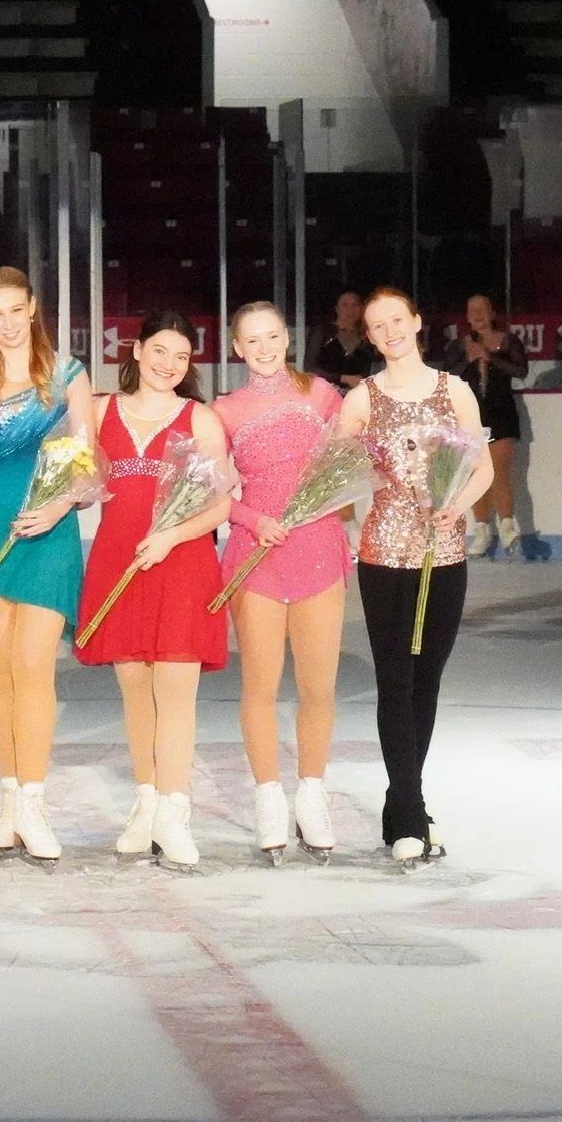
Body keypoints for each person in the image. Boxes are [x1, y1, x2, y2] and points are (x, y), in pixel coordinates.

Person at [338, 287, 492, 866]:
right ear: (371, 337)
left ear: (417, 323)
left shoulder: (454, 390)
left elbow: (480, 465)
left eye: (396, 320)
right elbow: (339, 474)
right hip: (383, 554)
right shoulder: (362, 401)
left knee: (425, 681)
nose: (389, 331)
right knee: (394, 680)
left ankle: (403, 801)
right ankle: (408, 811)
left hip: (443, 551)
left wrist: (457, 504)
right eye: (378, 326)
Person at [76, 313, 232, 871]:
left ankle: (174, 810)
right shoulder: (97, 412)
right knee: (136, 693)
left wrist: (172, 535)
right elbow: (73, 479)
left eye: (182, 357)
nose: (169, 365)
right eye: (160, 351)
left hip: (182, 563)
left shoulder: (202, 420)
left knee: (176, 695)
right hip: (119, 560)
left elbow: (222, 503)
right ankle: (146, 802)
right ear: (137, 350)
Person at [0, 265, 94, 863]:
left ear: (33, 307)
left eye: (17, 310)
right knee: (1, 670)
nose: (8, 324)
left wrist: (59, 504)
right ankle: (9, 802)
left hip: (48, 530)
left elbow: (86, 464)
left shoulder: (68, 374)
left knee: (35, 667)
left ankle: (33, 802)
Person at [214, 300, 348, 863]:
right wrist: (251, 518)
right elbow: (214, 490)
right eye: (253, 340)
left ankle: (311, 793)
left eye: (273, 336)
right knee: (260, 688)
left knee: (317, 687)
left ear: (286, 338)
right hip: (257, 554)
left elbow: (349, 460)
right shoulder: (223, 410)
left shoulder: (321, 395)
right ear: (237, 348)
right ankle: (270, 795)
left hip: (318, 550)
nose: (264, 348)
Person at [452, 294, 528, 557]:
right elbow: (450, 376)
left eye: (483, 309)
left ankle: (507, 526)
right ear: (467, 317)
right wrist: (471, 360)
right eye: (472, 310)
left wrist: (489, 357)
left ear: (492, 313)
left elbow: (521, 371)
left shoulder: (508, 341)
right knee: (475, 476)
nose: (478, 315)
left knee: (499, 473)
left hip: (501, 412)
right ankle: (482, 531)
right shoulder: (459, 345)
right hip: (471, 414)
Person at [314, 290, 379, 390]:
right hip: (326, 394)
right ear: (337, 308)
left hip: (361, 395)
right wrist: (343, 378)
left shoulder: (367, 335)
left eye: (355, 305)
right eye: (345, 305)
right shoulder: (323, 332)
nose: (350, 310)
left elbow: (378, 365)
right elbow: (310, 368)